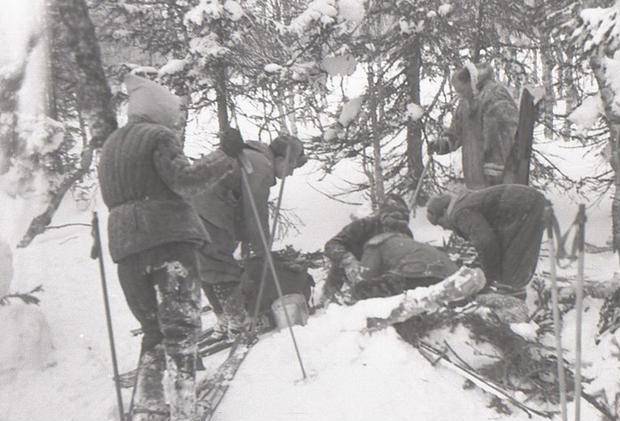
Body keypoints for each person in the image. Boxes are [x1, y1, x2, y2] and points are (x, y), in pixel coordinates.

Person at [97, 74, 242, 421]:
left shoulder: (111, 146)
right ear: (160, 111)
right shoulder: (158, 136)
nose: (176, 121)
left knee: (153, 330)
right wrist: (224, 155)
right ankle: (183, 408)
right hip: (168, 241)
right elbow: (186, 181)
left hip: (125, 247)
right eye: (173, 113)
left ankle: (150, 405)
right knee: (182, 330)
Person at [192, 131, 306, 339]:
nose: (290, 173)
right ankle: (238, 324)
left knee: (208, 266)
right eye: (290, 166)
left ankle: (224, 318)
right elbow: (255, 212)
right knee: (222, 267)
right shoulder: (262, 166)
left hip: (194, 208)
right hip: (210, 210)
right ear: (280, 159)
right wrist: (263, 251)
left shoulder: (253, 157)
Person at [426, 184, 547, 299]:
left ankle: (513, 305)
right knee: (508, 268)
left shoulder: (460, 213)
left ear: (443, 212)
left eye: (439, 223)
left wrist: (487, 277)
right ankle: (514, 299)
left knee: (509, 274)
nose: (443, 228)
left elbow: (485, 242)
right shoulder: (463, 204)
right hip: (527, 203)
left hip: (525, 206)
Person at [429, 62, 519, 189]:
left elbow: (502, 137)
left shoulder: (494, 96)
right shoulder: (466, 101)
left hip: (498, 180)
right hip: (476, 180)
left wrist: (494, 170)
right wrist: (442, 143)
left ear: (470, 82)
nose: (460, 95)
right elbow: (457, 132)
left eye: (461, 90)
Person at [322, 194, 413, 301]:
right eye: (393, 219)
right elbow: (332, 245)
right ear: (383, 216)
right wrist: (348, 260)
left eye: (401, 223)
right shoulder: (364, 225)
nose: (396, 227)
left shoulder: (406, 234)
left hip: (378, 282)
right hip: (344, 280)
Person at [353, 230, 459, 299]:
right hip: (450, 274)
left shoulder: (373, 245)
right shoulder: (400, 240)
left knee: (362, 288)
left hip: (420, 273)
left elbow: (366, 275)